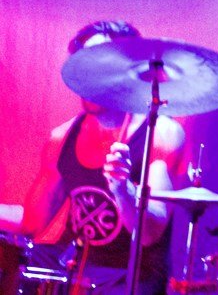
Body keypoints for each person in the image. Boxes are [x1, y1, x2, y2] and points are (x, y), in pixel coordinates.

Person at [15, 20, 185, 294]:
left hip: (133, 277)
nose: (89, 77)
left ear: (129, 72)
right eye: (84, 66)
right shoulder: (62, 137)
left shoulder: (161, 134)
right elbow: (33, 223)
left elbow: (149, 234)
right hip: (78, 269)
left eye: (100, 66)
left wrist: (123, 189)